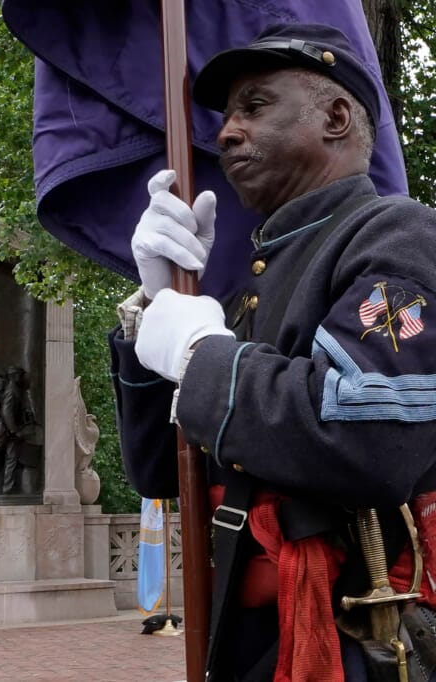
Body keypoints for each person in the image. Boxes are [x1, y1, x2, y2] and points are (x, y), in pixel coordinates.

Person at [111, 23, 436, 681]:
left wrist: (201, 352)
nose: (227, 132)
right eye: (227, 115)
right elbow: (159, 473)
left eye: (254, 106)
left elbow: (368, 439)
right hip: (252, 636)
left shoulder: (399, 235)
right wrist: (151, 308)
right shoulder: (249, 288)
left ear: (336, 117)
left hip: (359, 643)